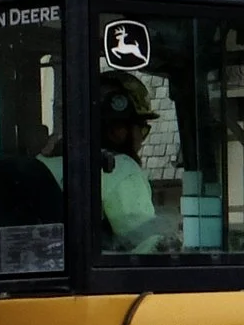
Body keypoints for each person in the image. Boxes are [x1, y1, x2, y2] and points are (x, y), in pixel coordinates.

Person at [45, 79, 175, 251]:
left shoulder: (45, 162)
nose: (142, 140)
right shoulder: (120, 169)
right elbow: (147, 247)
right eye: (142, 128)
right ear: (118, 131)